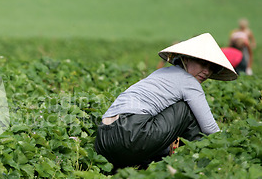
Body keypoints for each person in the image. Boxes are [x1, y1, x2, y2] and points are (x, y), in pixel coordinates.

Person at [95, 33, 237, 170]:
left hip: (103, 139)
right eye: (202, 63)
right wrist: (226, 148)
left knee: (166, 114)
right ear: (187, 58)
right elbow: (210, 129)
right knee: (185, 109)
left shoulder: (161, 73)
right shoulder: (189, 82)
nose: (206, 71)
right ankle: (199, 163)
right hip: (131, 132)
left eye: (211, 68)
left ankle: (154, 162)